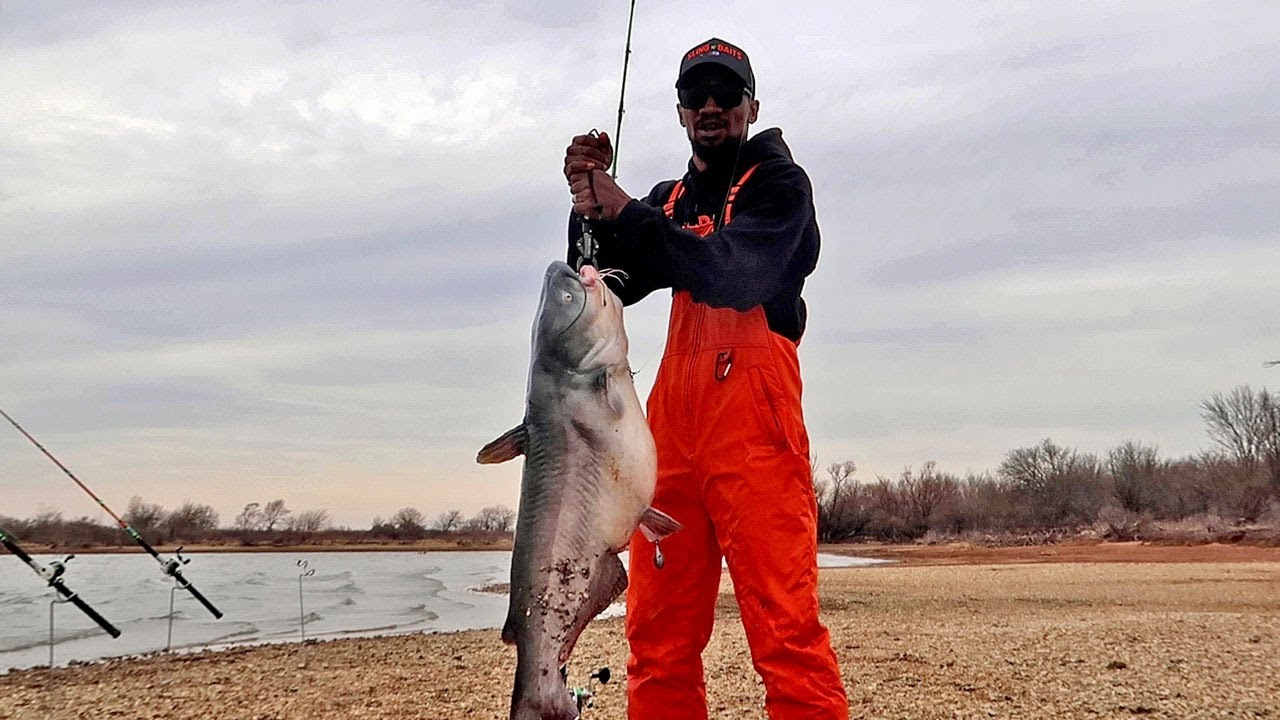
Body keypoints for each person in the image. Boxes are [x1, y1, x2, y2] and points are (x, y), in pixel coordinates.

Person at [562, 38, 848, 720]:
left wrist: (629, 213)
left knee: (785, 632)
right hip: (669, 447)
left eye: (726, 94)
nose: (711, 106)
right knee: (657, 639)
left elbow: (731, 271)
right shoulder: (668, 202)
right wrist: (587, 208)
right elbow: (605, 282)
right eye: (697, 95)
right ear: (681, 111)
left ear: (751, 105)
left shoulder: (780, 188)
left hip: (756, 437)